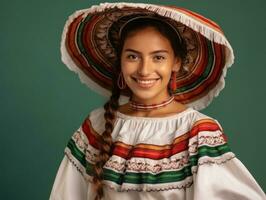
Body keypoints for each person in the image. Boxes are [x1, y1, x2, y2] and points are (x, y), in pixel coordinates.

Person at [49, 2, 266, 200]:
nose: (144, 70)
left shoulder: (196, 133)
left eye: (158, 57)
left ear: (176, 62)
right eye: (133, 56)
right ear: (120, 60)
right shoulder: (95, 127)